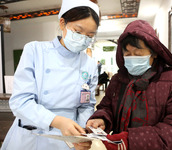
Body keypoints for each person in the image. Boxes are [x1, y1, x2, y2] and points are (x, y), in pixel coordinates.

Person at [1, 0, 100, 150]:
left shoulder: (90, 64)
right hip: (31, 135)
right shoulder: (35, 51)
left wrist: (81, 134)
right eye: (78, 32)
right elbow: (20, 101)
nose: (83, 38)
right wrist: (57, 121)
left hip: (67, 137)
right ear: (62, 23)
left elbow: (86, 105)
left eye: (89, 35)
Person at [86, 20, 172, 150]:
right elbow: (107, 107)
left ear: (155, 52)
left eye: (138, 53)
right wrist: (102, 119)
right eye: (127, 54)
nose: (132, 58)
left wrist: (130, 141)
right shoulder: (118, 80)